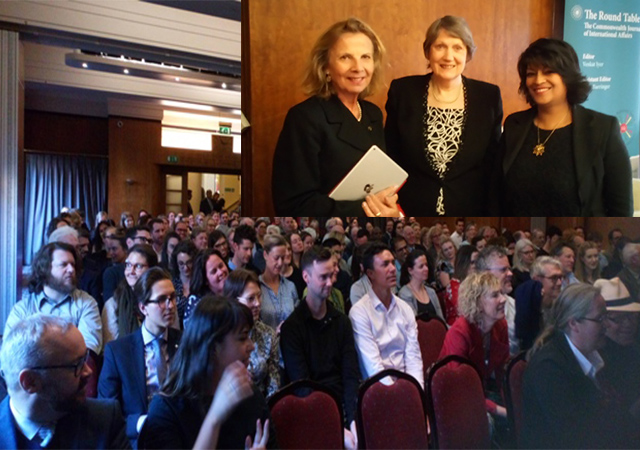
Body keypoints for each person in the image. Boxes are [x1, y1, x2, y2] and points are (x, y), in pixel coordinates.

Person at [272, 18, 398, 216]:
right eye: (345, 57)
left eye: (365, 57)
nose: (358, 67)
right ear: (325, 66)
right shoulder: (305, 118)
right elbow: (294, 204)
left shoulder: (374, 114)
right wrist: (370, 210)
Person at [497, 38, 632, 216]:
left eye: (548, 71)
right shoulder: (515, 125)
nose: (538, 80)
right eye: (531, 73)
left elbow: (621, 208)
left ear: (568, 77)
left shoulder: (602, 129)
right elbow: (496, 192)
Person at [385, 15, 503, 215]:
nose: (448, 56)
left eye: (457, 47)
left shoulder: (488, 97)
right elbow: (391, 154)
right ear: (428, 51)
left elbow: (492, 164)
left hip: (471, 210)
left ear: (468, 53)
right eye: (440, 46)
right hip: (409, 209)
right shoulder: (403, 91)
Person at [141, 296, 275, 449]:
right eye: (243, 338)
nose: (251, 346)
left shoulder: (250, 395)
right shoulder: (166, 409)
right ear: (212, 348)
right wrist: (215, 417)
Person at [521, 283, 637, 448]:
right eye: (600, 319)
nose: (606, 325)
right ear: (574, 323)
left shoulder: (595, 354)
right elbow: (575, 436)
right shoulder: (548, 368)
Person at [0, 315, 129, 449]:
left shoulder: (105, 420)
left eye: (85, 359)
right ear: (30, 382)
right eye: (76, 365)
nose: (88, 372)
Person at [280, 247, 360, 449]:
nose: (330, 282)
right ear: (306, 277)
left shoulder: (341, 322)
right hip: (312, 410)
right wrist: (336, 426)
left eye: (331, 275)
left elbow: (350, 375)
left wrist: (352, 420)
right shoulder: (292, 328)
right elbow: (302, 385)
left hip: (343, 403)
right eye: (323, 277)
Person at [98, 268, 181, 448]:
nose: (170, 305)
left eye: (172, 297)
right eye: (161, 300)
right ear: (143, 308)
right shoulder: (119, 352)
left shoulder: (184, 343)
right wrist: (142, 422)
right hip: (137, 439)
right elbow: (105, 412)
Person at [5, 242, 102, 356]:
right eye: (63, 264)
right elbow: (9, 351)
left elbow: (88, 350)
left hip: (73, 372)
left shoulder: (86, 303)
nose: (71, 269)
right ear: (45, 269)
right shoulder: (22, 308)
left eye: (73, 264)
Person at [348, 242, 424, 387]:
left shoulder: (405, 309)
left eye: (393, 263)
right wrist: (396, 394)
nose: (392, 269)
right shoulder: (360, 312)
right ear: (370, 274)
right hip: (378, 390)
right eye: (385, 265)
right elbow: (373, 366)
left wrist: (417, 390)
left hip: (407, 386)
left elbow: (413, 358)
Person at [439, 272, 509, 420]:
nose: (503, 299)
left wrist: (512, 404)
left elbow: (503, 373)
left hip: (480, 391)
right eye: (495, 295)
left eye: (502, 293)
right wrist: (500, 410)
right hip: (452, 396)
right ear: (477, 302)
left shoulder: (500, 325)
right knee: (486, 422)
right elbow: (459, 388)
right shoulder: (460, 332)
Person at [223, 269, 280, 399]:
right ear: (234, 300)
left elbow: (274, 383)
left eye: (259, 296)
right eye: (250, 299)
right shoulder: (222, 336)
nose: (257, 303)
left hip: (261, 406)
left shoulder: (268, 334)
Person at [595, 278, 640, 416]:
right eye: (618, 318)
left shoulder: (634, 348)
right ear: (602, 321)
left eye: (632, 316)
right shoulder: (596, 359)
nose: (628, 324)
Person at [102, 244, 158, 345]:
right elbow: (111, 346)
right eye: (128, 265)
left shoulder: (163, 299)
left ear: (151, 270)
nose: (130, 271)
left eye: (138, 266)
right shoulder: (113, 304)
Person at [514, 256, 564, 351]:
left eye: (560, 277)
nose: (559, 283)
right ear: (536, 280)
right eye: (554, 278)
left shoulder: (561, 306)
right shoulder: (525, 308)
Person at [259, 234, 299, 330]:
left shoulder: (290, 286)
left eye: (283, 258)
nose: (280, 263)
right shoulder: (257, 287)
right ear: (265, 255)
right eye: (276, 258)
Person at [398, 249, 445, 321]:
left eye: (426, 265)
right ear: (410, 270)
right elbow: (413, 322)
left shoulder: (431, 292)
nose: (426, 269)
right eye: (421, 266)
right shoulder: (404, 294)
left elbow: (441, 321)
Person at [183, 249, 229, 322]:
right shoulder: (196, 303)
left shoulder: (236, 290)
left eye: (221, 266)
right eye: (214, 271)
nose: (220, 272)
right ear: (205, 280)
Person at [444, 244, 478, 325]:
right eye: (473, 262)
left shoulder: (476, 282)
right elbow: (465, 312)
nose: (477, 266)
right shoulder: (454, 286)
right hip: (459, 326)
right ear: (464, 264)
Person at [170, 239, 197, 323]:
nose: (185, 268)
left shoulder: (201, 282)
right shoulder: (172, 285)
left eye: (189, 262)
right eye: (181, 263)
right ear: (176, 264)